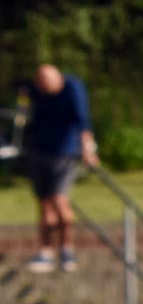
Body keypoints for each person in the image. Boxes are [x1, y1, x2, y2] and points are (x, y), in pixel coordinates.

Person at [21, 64, 98, 273]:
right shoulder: (34, 91)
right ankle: (46, 252)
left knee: (59, 201)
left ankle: (67, 249)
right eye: (41, 85)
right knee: (45, 204)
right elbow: (24, 113)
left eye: (47, 85)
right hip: (39, 150)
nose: (44, 89)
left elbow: (83, 121)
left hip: (64, 152)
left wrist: (88, 149)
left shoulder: (72, 88)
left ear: (57, 79)